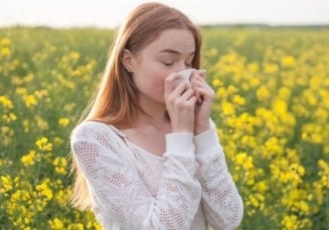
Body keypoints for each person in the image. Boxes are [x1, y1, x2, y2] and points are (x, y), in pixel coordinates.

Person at [69, 2, 243, 229]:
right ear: (128, 61)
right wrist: (181, 136)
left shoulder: (197, 126)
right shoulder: (95, 139)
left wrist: (202, 132)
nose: (182, 73)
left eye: (189, 62)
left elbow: (228, 220)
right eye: (168, 62)